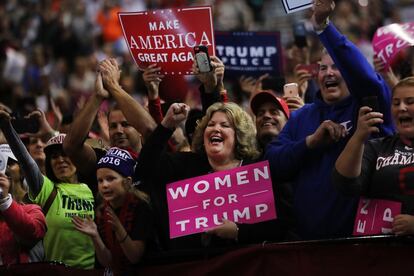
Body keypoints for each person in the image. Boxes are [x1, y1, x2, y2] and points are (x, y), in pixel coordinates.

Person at [264, 0, 395, 240]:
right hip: (310, 245)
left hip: (363, 244)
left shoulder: (368, 104)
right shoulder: (303, 116)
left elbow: (365, 78)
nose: (328, 73)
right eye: (322, 68)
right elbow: (273, 164)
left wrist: (324, 26)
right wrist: (310, 143)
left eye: (337, 67)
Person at [136, 102, 264, 251]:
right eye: (211, 125)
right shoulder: (187, 164)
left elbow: (276, 225)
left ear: (239, 135)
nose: (216, 128)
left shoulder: (254, 169)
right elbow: (145, 168)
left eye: (225, 125)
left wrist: (238, 232)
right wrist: (167, 124)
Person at [0, 111, 95, 269]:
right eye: (54, 156)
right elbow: (28, 164)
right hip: (55, 272)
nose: (60, 160)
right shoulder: (47, 189)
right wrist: (7, 129)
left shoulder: (92, 188)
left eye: (65, 155)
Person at [333, 77, 414, 236]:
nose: (402, 108)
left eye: (410, 101)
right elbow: (343, 183)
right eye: (396, 103)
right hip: (379, 252)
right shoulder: (376, 147)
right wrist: (359, 136)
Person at [63, 58, 156, 182]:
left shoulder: (153, 156)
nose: (118, 131)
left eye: (125, 124)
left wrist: (113, 86)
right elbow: (70, 146)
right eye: (112, 126)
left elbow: (151, 129)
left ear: (139, 129)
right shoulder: (102, 159)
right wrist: (97, 97)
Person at [72, 147, 154, 274]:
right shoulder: (101, 211)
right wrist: (95, 236)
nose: (104, 185)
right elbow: (109, 262)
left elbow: (134, 257)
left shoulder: (141, 206)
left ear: (127, 182)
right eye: (100, 180)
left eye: (110, 179)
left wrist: (118, 227)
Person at [0, 147, 46, 265]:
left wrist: (5, 201)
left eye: (10, 163)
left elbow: (32, 232)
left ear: (22, 170)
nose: (5, 168)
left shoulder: (33, 206)